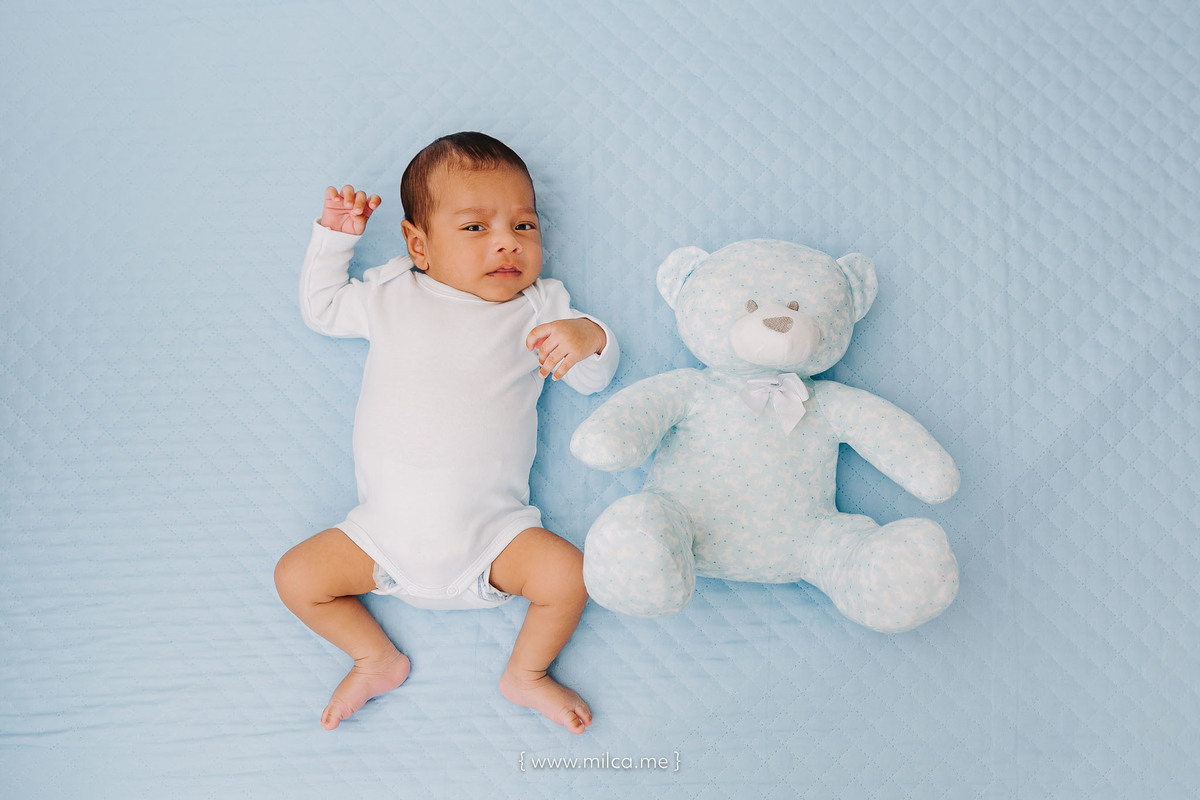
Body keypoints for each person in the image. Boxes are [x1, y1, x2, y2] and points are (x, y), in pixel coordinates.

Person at [274, 132, 618, 734]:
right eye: (475, 228)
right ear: (419, 245)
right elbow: (322, 309)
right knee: (296, 577)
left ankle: (527, 674)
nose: (508, 242)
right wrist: (335, 239)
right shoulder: (391, 293)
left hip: (495, 537)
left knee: (570, 576)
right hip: (380, 541)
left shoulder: (539, 307)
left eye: (524, 226)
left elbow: (592, 379)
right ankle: (373, 658)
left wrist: (589, 337)